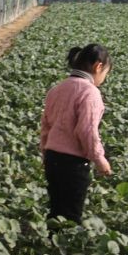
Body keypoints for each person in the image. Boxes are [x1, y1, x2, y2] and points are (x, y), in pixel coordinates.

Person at [40, 44, 113, 222]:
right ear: (98, 66)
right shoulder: (90, 93)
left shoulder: (57, 89)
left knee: (57, 208)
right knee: (72, 213)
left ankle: (52, 243)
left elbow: (46, 126)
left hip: (52, 159)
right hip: (73, 164)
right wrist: (100, 160)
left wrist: (45, 153)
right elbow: (86, 131)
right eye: (106, 73)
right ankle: (62, 245)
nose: (104, 78)